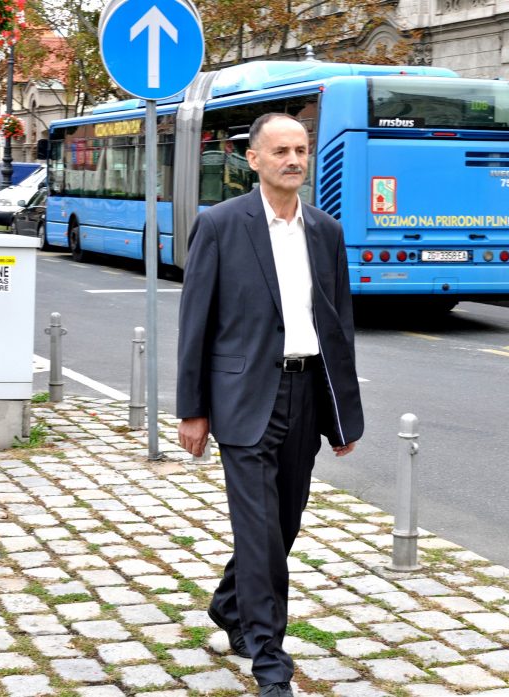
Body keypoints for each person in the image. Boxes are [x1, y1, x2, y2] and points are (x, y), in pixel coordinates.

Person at [176, 113, 364, 697]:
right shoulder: (220, 225)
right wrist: (192, 409)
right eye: (280, 150)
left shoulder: (326, 231)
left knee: (283, 525)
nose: (294, 160)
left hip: (304, 394)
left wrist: (342, 415)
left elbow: (338, 327)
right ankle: (270, 662)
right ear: (253, 159)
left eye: (301, 149)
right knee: (258, 534)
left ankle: (229, 602)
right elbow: (195, 322)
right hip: (243, 398)